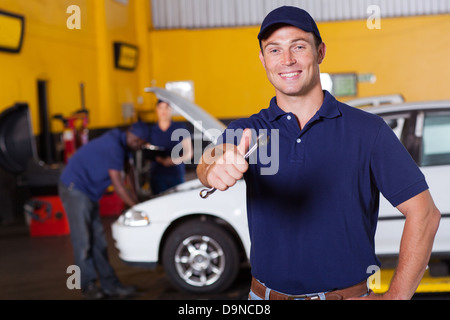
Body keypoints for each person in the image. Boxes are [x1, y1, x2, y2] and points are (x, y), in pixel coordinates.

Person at [196, 6, 441, 300]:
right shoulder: (250, 130)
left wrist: (396, 296)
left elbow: (424, 213)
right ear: (263, 60)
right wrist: (212, 168)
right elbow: (212, 158)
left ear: (320, 52)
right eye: (274, 50)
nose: (287, 60)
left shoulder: (368, 131)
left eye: (298, 46)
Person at [58, 121, 150, 299]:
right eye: (138, 141)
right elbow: (118, 186)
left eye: (142, 143)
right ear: (131, 135)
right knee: (83, 241)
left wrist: (137, 197)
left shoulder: (125, 145)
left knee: (99, 241)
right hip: (75, 188)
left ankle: (110, 286)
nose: (139, 145)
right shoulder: (113, 146)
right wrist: (137, 207)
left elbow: (129, 172)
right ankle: (87, 286)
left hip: (90, 193)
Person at [147, 99, 193, 195]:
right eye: (161, 107)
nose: (164, 111)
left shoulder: (180, 127)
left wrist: (173, 161)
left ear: (171, 110)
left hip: (176, 174)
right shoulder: (151, 130)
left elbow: (189, 153)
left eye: (167, 107)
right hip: (157, 175)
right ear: (156, 109)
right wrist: (160, 159)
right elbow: (148, 151)